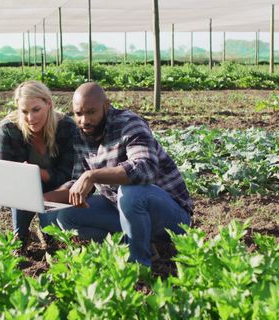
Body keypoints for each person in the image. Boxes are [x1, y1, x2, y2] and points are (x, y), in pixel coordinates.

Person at [45, 82, 193, 267]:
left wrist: (93, 175)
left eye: (91, 112)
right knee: (68, 216)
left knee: (130, 193)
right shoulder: (81, 134)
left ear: (106, 106)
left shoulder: (129, 123)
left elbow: (145, 168)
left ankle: (139, 265)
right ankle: (141, 245)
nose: (84, 120)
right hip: (124, 211)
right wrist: (42, 199)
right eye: (78, 114)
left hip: (171, 217)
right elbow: (79, 183)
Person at [0, 80, 77, 252]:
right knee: (24, 182)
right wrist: (22, 174)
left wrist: (38, 173)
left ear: (48, 104)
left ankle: (49, 235)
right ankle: (21, 236)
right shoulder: (10, 128)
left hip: (57, 188)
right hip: (24, 193)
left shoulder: (66, 127)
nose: (30, 118)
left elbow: (70, 175)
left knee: (53, 235)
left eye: (36, 110)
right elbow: (3, 174)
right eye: (24, 111)